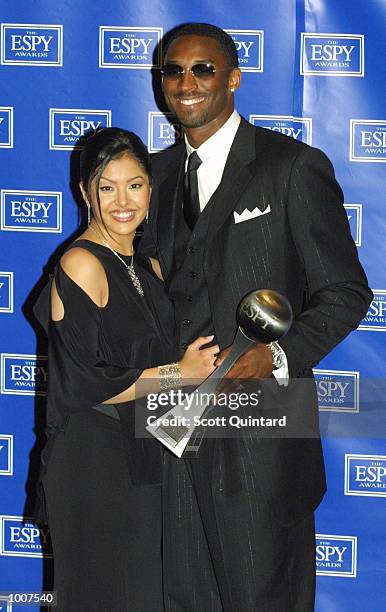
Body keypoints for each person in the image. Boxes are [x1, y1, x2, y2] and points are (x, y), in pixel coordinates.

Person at [140, 23, 373, 611]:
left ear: (234, 78)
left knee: (261, 597)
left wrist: (275, 354)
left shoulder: (292, 167)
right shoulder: (152, 177)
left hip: (263, 439)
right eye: (173, 71)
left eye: (204, 69)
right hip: (168, 434)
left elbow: (346, 291)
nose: (186, 83)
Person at [33, 127, 219, 611]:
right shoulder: (81, 263)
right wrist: (180, 372)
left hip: (143, 458)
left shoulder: (148, 265)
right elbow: (83, 383)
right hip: (93, 463)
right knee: (99, 595)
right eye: (107, 186)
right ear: (84, 192)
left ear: (150, 189)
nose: (122, 200)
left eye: (134, 184)